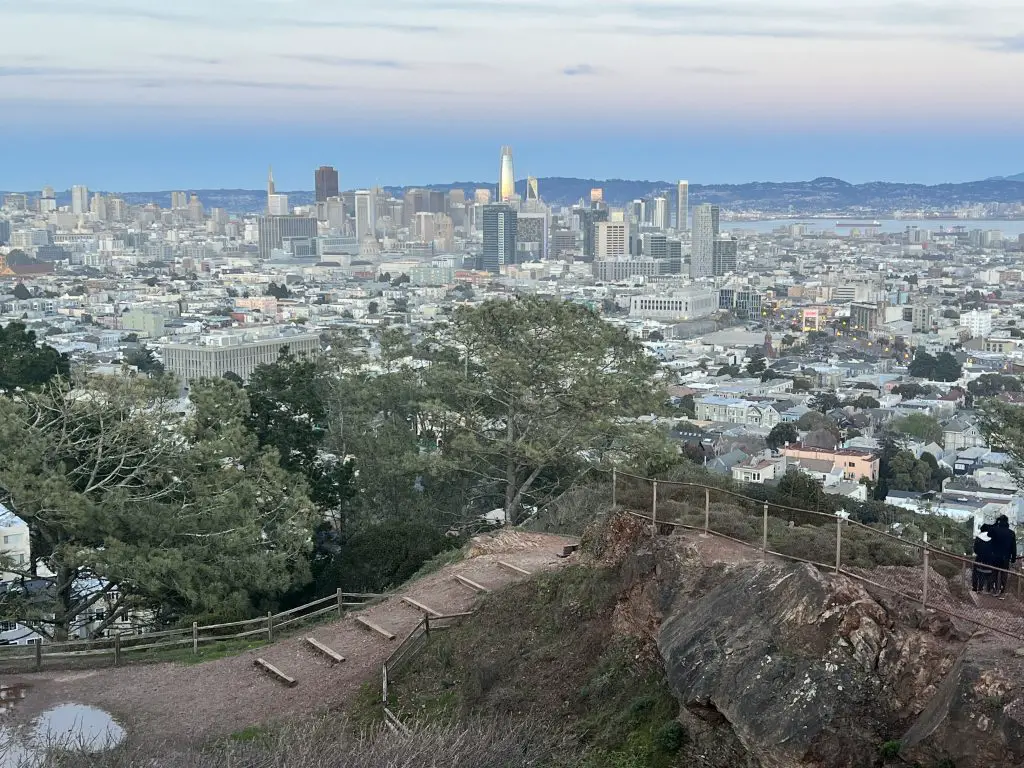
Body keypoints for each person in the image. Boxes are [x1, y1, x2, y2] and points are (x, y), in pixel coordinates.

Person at [990, 515, 1018, 598]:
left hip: (995, 556)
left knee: (994, 573)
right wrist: (1013, 558)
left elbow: (989, 538)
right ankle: (1002, 589)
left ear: (999, 521)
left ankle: (994, 588)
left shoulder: (995, 530)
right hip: (1006, 557)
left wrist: (995, 523)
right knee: (1004, 574)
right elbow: (1013, 547)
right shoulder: (1011, 533)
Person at [973, 525, 996, 594]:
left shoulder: (978, 538)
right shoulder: (993, 538)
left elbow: (975, 550)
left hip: (980, 559)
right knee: (990, 574)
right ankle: (989, 589)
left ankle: (977, 587)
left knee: (978, 573)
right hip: (990, 560)